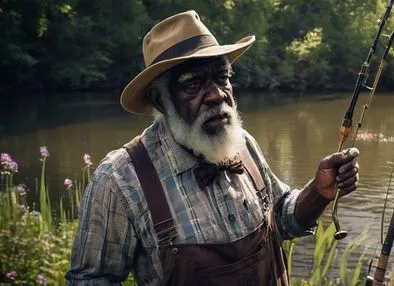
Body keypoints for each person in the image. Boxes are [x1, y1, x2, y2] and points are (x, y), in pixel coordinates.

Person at [66, 10, 360, 286]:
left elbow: (281, 218)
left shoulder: (242, 143)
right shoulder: (120, 181)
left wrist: (319, 193)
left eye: (223, 77)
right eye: (193, 84)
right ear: (159, 100)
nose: (217, 94)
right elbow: (91, 279)